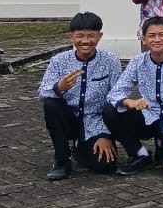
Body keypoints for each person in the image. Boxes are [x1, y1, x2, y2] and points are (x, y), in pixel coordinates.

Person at [103, 16, 163, 174]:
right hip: (148, 116)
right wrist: (128, 102)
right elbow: (115, 93)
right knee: (110, 110)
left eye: (162, 35)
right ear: (143, 39)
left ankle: (162, 143)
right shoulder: (138, 61)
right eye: (151, 36)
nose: (157, 39)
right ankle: (140, 155)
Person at [38, 11, 121, 181]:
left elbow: (116, 97)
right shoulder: (59, 61)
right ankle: (62, 159)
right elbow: (42, 92)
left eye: (91, 36)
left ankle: (81, 147)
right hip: (69, 120)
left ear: (99, 36)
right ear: (71, 37)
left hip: (96, 121)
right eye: (80, 36)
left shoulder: (111, 61)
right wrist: (59, 87)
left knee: (105, 166)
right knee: (51, 103)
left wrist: (106, 135)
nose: (85, 41)